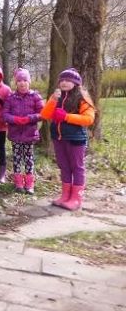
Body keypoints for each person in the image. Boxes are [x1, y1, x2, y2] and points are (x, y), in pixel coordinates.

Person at [40, 68, 95, 210]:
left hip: (76, 139)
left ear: (75, 83)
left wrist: (66, 117)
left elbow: (89, 119)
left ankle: (76, 198)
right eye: (62, 80)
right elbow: (45, 115)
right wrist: (52, 100)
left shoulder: (82, 97)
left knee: (77, 167)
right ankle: (65, 195)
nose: (64, 83)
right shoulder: (57, 97)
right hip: (58, 138)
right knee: (64, 166)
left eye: (68, 80)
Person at [2, 68, 44, 194]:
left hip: (29, 134)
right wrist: (15, 119)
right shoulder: (11, 97)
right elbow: (5, 114)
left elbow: (42, 113)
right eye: (19, 80)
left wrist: (29, 118)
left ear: (29, 82)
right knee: (16, 158)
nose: (22, 83)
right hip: (15, 135)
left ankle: (30, 183)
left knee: (29, 159)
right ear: (16, 83)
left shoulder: (35, 96)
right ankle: (18, 182)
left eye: (25, 80)